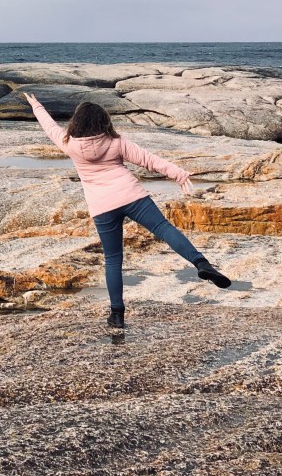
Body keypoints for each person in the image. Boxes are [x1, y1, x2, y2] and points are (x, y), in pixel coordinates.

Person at [23, 93, 231, 329]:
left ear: (76, 123)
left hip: (102, 207)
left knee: (113, 260)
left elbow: (49, 126)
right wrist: (178, 174)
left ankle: (117, 315)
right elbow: (148, 160)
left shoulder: (69, 143)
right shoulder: (116, 142)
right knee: (164, 228)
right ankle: (202, 264)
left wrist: (36, 105)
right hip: (132, 197)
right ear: (104, 122)